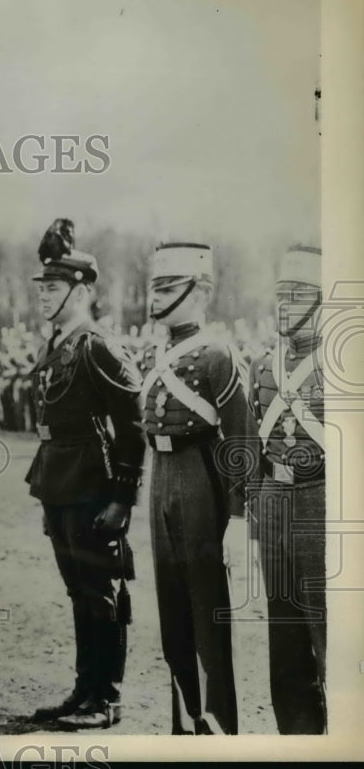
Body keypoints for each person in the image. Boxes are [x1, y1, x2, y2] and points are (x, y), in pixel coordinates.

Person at [26, 218, 145, 730]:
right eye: (42, 288)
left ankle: (107, 698)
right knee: (79, 591)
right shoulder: (57, 346)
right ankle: (84, 690)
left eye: (53, 288)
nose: (44, 297)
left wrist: (122, 498)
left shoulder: (98, 345)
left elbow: (133, 426)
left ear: (83, 290)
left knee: (102, 593)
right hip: (59, 480)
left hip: (94, 485)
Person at [138, 242, 250, 734]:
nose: (157, 297)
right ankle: (183, 726)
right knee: (172, 611)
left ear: (200, 290)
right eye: (156, 287)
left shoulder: (219, 353)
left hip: (198, 477)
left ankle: (217, 726)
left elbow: (240, 438)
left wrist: (239, 516)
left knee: (206, 611)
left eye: (169, 287)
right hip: (160, 478)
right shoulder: (156, 350)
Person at [247, 244, 326, 733]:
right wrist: (255, 505)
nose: (285, 304)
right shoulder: (261, 366)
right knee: (286, 633)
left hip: (324, 504)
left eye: (298, 294)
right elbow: (255, 442)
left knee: (331, 633)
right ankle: (297, 737)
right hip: (274, 505)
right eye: (280, 294)